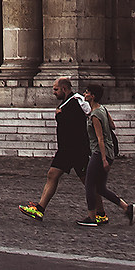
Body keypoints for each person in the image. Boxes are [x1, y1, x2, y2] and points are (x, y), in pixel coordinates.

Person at [18, 77, 91, 221]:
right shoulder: (68, 102)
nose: (54, 92)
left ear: (64, 89)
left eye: (56, 89)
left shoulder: (72, 104)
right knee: (53, 175)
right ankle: (40, 209)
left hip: (74, 149)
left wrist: (60, 116)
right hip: (68, 149)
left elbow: (75, 126)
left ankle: (109, 211)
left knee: (89, 183)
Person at [82, 85, 133, 226]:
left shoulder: (94, 115)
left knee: (89, 185)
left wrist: (103, 159)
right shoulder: (102, 109)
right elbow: (113, 126)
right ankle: (126, 208)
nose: (84, 94)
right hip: (109, 152)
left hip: (100, 153)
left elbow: (100, 139)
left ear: (92, 96)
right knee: (100, 188)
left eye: (87, 92)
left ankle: (91, 217)